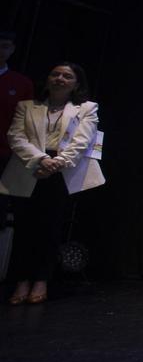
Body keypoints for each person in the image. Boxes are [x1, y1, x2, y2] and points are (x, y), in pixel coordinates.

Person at [2, 62, 104, 304]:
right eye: (55, 74)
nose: (60, 79)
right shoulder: (27, 106)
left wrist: (56, 163)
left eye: (67, 76)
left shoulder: (86, 108)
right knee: (24, 228)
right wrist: (41, 160)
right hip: (30, 167)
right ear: (47, 79)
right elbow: (16, 136)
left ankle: (41, 280)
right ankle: (21, 280)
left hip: (61, 172)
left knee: (50, 228)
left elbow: (82, 141)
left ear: (76, 84)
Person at [0, 32, 35, 171]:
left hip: (3, 154)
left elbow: (25, 123)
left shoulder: (23, 84)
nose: (0, 50)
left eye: (4, 46)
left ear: (12, 49)